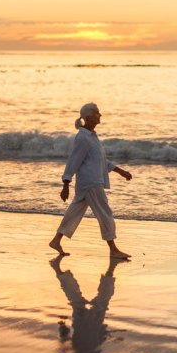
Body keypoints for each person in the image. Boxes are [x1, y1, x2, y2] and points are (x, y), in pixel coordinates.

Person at [48, 103, 132, 259]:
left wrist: (121, 172)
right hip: (91, 183)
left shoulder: (92, 137)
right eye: (96, 113)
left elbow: (102, 162)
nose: (100, 115)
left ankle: (56, 240)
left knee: (74, 212)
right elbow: (74, 161)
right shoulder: (83, 138)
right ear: (87, 117)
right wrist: (66, 183)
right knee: (105, 213)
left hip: (89, 183)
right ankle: (113, 249)